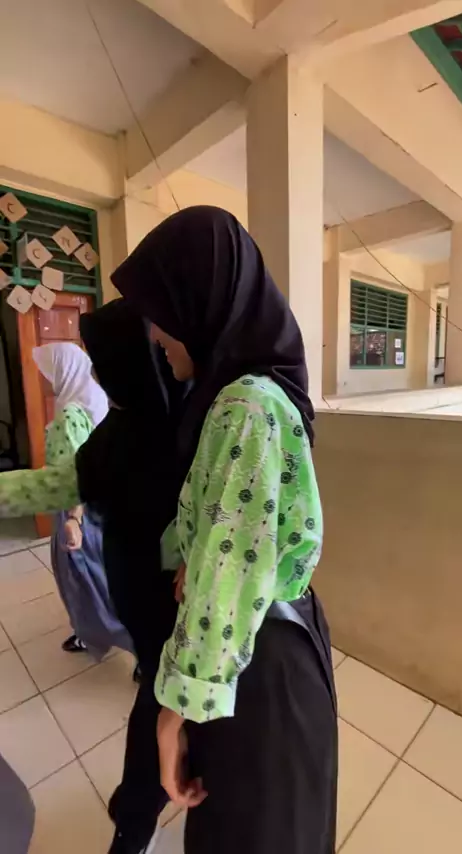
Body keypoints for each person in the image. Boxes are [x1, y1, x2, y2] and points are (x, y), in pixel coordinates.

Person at [111, 205, 338, 854]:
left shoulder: (243, 405)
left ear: (199, 302)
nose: (154, 334)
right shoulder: (249, 395)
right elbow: (242, 536)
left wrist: (170, 716)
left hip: (258, 662)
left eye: (161, 312)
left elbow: (232, 572)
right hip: (264, 646)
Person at [76, 300, 182, 854]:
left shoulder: (124, 438)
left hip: (150, 591)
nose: (93, 370)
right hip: (158, 591)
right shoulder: (170, 421)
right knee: (164, 695)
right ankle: (139, 804)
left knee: (159, 700)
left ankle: (136, 818)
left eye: (97, 357)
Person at [1, 342, 134, 660]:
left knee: (85, 581)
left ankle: (125, 641)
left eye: (46, 370)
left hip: (78, 515)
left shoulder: (70, 415)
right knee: (100, 577)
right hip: (96, 511)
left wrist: (73, 519)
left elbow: (76, 476)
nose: (42, 377)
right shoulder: (94, 401)